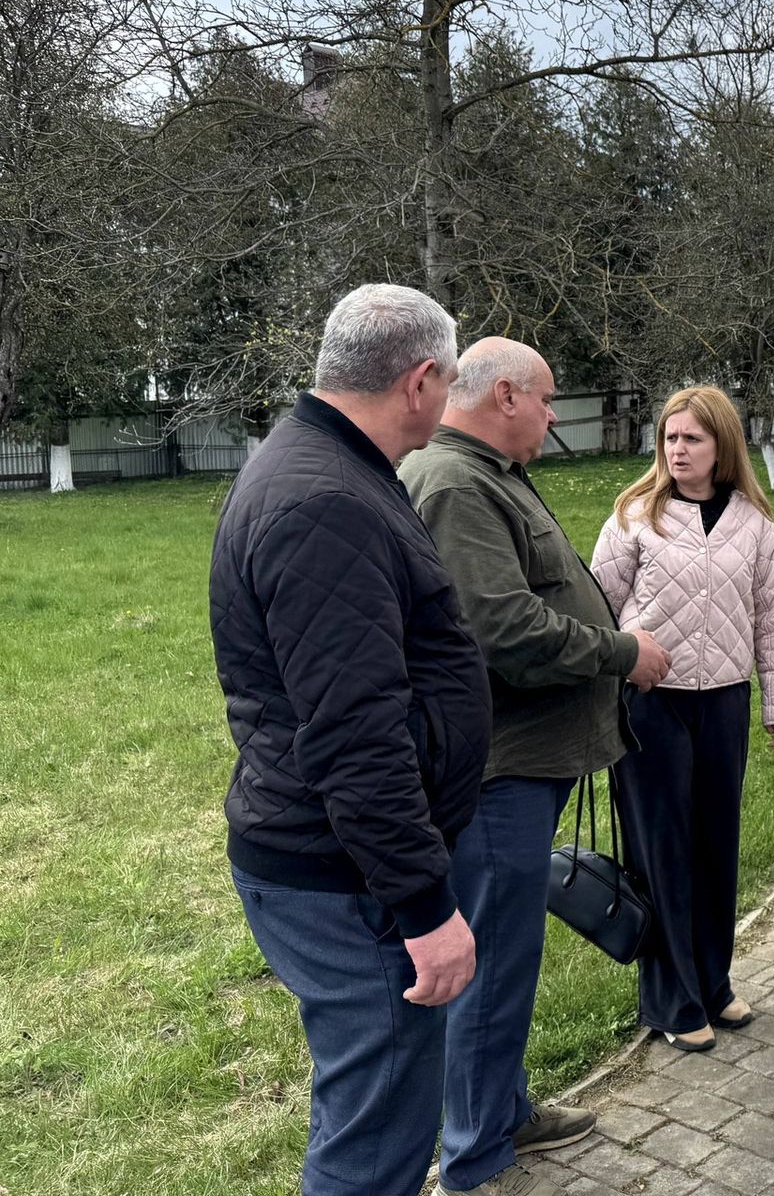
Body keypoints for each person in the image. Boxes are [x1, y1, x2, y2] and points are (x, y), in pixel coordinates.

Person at [210, 285, 491, 1196]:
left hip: (339, 860)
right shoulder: (324, 501)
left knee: (367, 1113)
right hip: (348, 879)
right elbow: (355, 735)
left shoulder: (326, 467)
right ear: (419, 382)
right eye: (449, 383)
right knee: (374, 1145)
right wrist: (425, 910)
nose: (447, 402)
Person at [398, 339, 673, 1196]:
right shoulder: (454, 483)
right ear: (507, 395)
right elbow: (502, 632)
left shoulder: (486, 473)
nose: (555, 417)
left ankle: (502, 1108)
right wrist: (621, 652)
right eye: (548, 399)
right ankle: (477, 1155)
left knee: (507, 953)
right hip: (500, 772)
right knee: (491, 959)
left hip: (523, 763)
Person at [591, 387, 774, 1054]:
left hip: (723, 703)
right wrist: (616, 668)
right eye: (670, 438)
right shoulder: (634, 517)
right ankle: (671, 999)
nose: (678, 450)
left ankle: (712, 982)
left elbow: (773, 617)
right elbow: (597, 607)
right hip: (651, 705)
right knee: (663, 852)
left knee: (714, 846)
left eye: (692, 439)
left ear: (721, 446)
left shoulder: (753, 524)